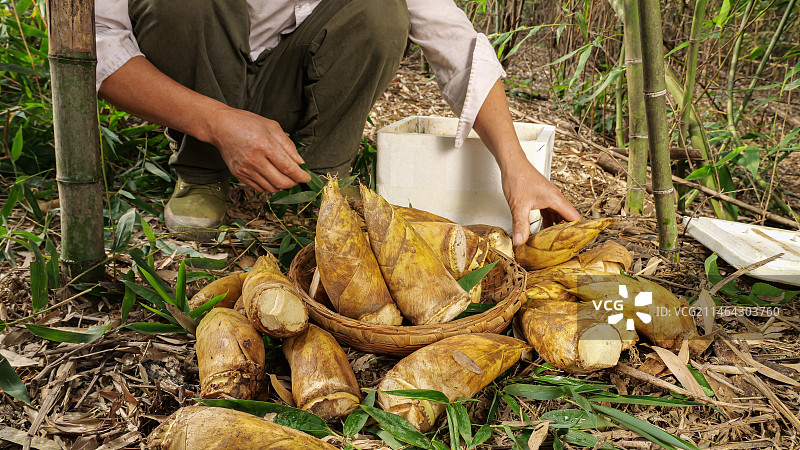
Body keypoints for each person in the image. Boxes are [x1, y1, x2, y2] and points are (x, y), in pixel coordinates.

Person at [95, 0, 580, 244]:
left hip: (294, 81)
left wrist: (514, 165)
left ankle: (322, 177)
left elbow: (455, 42)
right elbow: (100, 47)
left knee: (379, 10)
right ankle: (201, 173)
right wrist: (219, 123)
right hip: (197, 91)